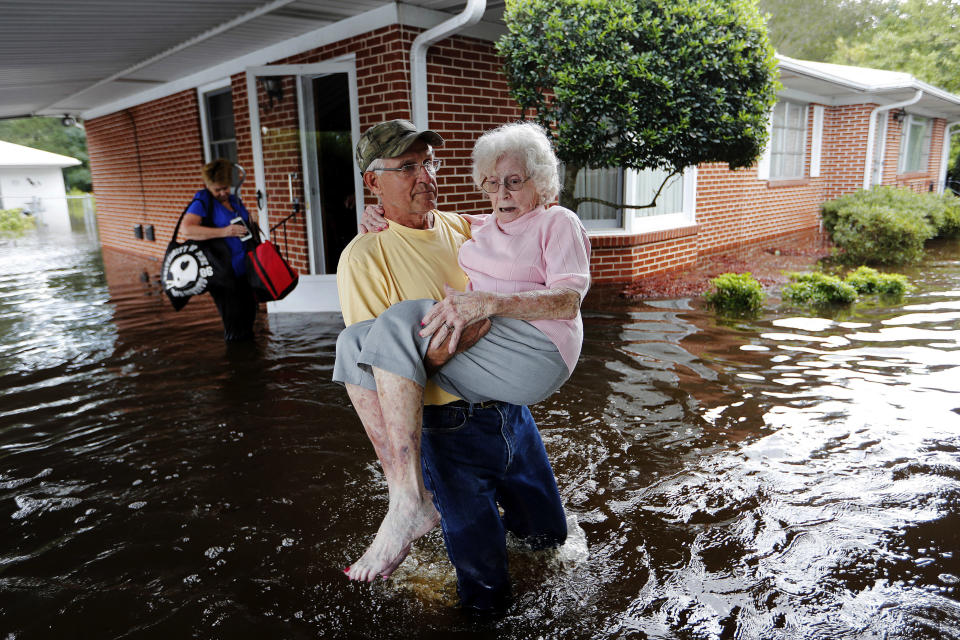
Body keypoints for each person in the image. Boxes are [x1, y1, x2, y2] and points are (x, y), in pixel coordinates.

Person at [333, 119, 591, 609]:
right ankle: (407, 501)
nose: (426, 175)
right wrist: (461, 335)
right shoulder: (364, 257)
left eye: (428, 162)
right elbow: (381, 365)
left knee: (548, 542)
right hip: (449, 431)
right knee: (485, 584)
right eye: (407, 166)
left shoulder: (460, 225)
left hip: (511, 413)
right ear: (373, 181)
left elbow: (521, 231)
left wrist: (488, 313)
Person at [180, 158, 259, 342]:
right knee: (234, 325)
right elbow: (187, 229)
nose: (223, 192)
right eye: (218, 190)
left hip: (244, 271)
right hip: (224, 274)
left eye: (225, 187)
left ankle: (249, 361)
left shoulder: (233, 200)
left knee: (248, 318)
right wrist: (224, 231)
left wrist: (252, 222)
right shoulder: (202, 201)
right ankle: (237, 363)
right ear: (208, 186)